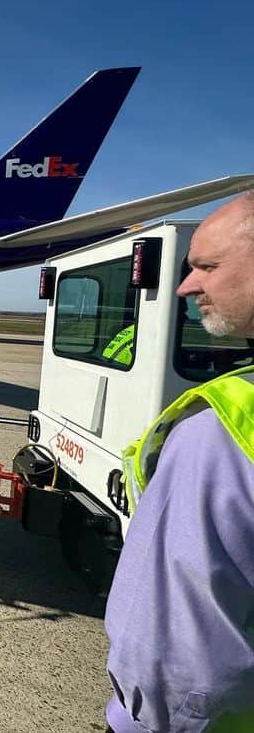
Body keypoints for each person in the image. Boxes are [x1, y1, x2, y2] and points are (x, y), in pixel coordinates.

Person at [105, 193, 254, 733]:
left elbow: (176, 644)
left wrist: (146, 718)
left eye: (207, 267)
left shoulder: (224, 428)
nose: (186, 286)